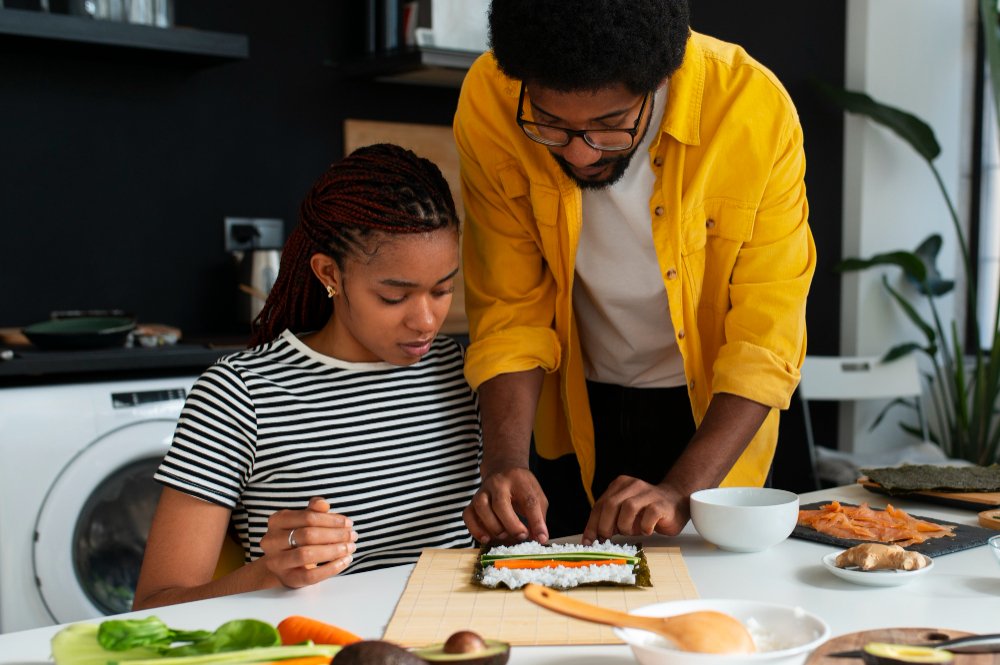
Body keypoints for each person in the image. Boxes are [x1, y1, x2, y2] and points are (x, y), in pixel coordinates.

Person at [455, 0, 816, 546]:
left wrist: (680, 489)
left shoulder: (752, 109)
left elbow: (765, 340)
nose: (579, 154)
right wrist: (505, 462)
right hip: (572, 405)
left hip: (712, 414)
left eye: (609, 125)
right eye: (550, 125)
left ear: (658, 83)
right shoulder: (490, 99)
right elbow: (509, 307)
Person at [133, 143, 481, 609]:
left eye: (443, 289)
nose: (425, 320)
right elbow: (155, 605)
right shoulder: (239, 394)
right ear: (329, 274)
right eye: (394, 297)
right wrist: (269, 572)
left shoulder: (462, 372)